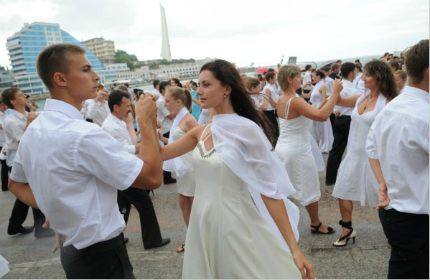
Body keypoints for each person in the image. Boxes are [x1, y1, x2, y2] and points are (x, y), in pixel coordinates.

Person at [8, 44, 163, 279]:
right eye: (86, 69)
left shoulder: (35, 128)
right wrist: (144, 120)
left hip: (73, 251)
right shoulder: (83, 134)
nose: (96, 76)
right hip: (102, 256)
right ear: (61, 79)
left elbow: (16, 184)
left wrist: (56, 208)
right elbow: (152, 178)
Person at [160, 59, 314, 279]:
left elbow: (269, 191)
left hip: (234, 227)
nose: (198, 91)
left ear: (226, 89)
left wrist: (294, 249)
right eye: (198, 84)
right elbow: (159, 155)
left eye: (206, 84)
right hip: (201, 224)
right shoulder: (201, 132)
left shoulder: (247, 130)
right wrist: (144, 123)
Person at [366, 39, 429, 279]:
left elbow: (371, 149)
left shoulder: (392, 107)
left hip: (396, 210)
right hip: (418, 217)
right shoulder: (423, 115)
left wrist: (382, 182)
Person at [331, 60, 397, 247]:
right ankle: (347, 229)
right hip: (353, 153)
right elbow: (339, 101)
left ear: (379, 77)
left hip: (375, 158)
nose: (362, 77)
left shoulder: (388, 102)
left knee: (385, 199)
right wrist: (335, 90)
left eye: (367, 74)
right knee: (343, 191)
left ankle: (395, 232)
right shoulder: (360, 98)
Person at [276, 65, 340, 236]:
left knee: (287, 187)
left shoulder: (282, 98)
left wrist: (327, 100)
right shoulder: (295, 100)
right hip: (297, 150)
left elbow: (314, 112)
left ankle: (285, 224)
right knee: (308, 185)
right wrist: (334, 94)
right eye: (298, 76)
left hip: (283, 147)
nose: (301, 79)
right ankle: (316, 223)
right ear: (290, 79)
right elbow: (321, 116)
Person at [102, 89, 170, 250]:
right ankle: (152, 240)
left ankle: (115, 237)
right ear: (116, 107)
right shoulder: (112, 126)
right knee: (145, 204)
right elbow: (123, 150)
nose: (130, 108)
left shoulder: (119, 122)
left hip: (123, 170)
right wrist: (146, 143)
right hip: (124, 171)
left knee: (122, 208)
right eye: (127, 105)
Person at [2, 87, 53, 238]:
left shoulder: (25, 114)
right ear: (13, 101)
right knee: (34, 191)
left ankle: (14, 225)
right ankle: (41, 228)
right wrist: (30, 121)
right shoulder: (11, 121)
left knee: (25, 194)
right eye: (20, 95)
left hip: (31, 158)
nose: (24, 96)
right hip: (20, 160)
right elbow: (24, 141)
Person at [159, 86, 198, 253]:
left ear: (178, 101)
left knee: (194, 203)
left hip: (190, 167)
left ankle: (198, 238)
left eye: (167, 101)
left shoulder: (188, 119)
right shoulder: (177, 119)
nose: (165, 104)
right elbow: (176, 143)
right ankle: (192, 236)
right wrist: (160, 137)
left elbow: (200, 142)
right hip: (183, 168)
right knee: (184, 203)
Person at [325, 63, 362, 186]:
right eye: (355, 72)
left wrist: (336, 110)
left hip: (338, 119)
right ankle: (352, 178)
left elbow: (332, 101)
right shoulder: (353, 90)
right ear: (352, 73)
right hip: (349, 120)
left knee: (336, 150)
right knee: (353, 148)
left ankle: (330, 178)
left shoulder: (339, 87)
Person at [156, 81, 176, 185]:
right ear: (163, 90)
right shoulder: (161, 101)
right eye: (168, 88)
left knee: (170, 151)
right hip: (165, 129)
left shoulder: (164, 100)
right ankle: (167, 176)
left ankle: (168, 174)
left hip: (168, 127)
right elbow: (170, 116)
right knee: (168, 152)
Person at [309, 70, 333, 153]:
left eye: (314, 76)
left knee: (321, 128)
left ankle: (324, 146)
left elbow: (324, 100)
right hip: (314, 107)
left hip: (319, 107)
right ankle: (318, 144)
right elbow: (308, 95)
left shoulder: (323, 85)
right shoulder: (316, 85)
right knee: (314, 127)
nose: (313, 77)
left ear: (318, 76)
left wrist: (318, 108)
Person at [262, 72, 279, 142]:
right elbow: (273, 103)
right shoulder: (269, 88)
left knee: (274, 129)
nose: (275, 79)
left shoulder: (269, 87)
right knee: (275, 130)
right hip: (270, 111)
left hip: (270, 110)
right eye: (274, 78)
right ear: (270, 79)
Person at [0, 101, 8, 191]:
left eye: (5, 104)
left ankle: (5, 185)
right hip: (1, 143)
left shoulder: (7, 113)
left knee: (6, 164)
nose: (4, 106)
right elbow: (2, 126)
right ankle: (5, 186)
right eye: (2, 104)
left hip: (6, 142)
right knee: (5, 164)